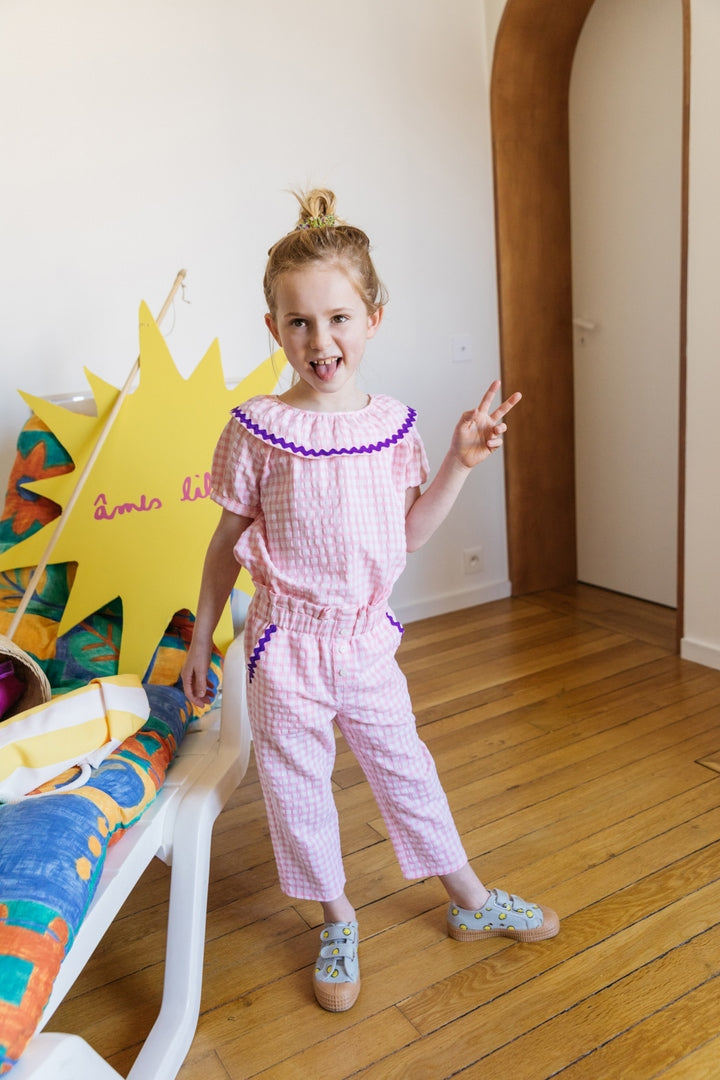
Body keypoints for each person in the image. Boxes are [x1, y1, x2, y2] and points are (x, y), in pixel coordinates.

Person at [182, 189, 559, 1013]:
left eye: (339, 318)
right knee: (297, 785)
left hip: (363, 642)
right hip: (286, 648)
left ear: (373, 318)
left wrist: (461, 460)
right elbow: (221, 548)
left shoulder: (393, 425)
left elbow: (412, 532)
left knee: (406, 768)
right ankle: (337, 918)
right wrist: (199, 637)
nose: (322, 340)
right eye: (300, 323)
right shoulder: (256, 427)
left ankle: (469, 899)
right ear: (274, 329)